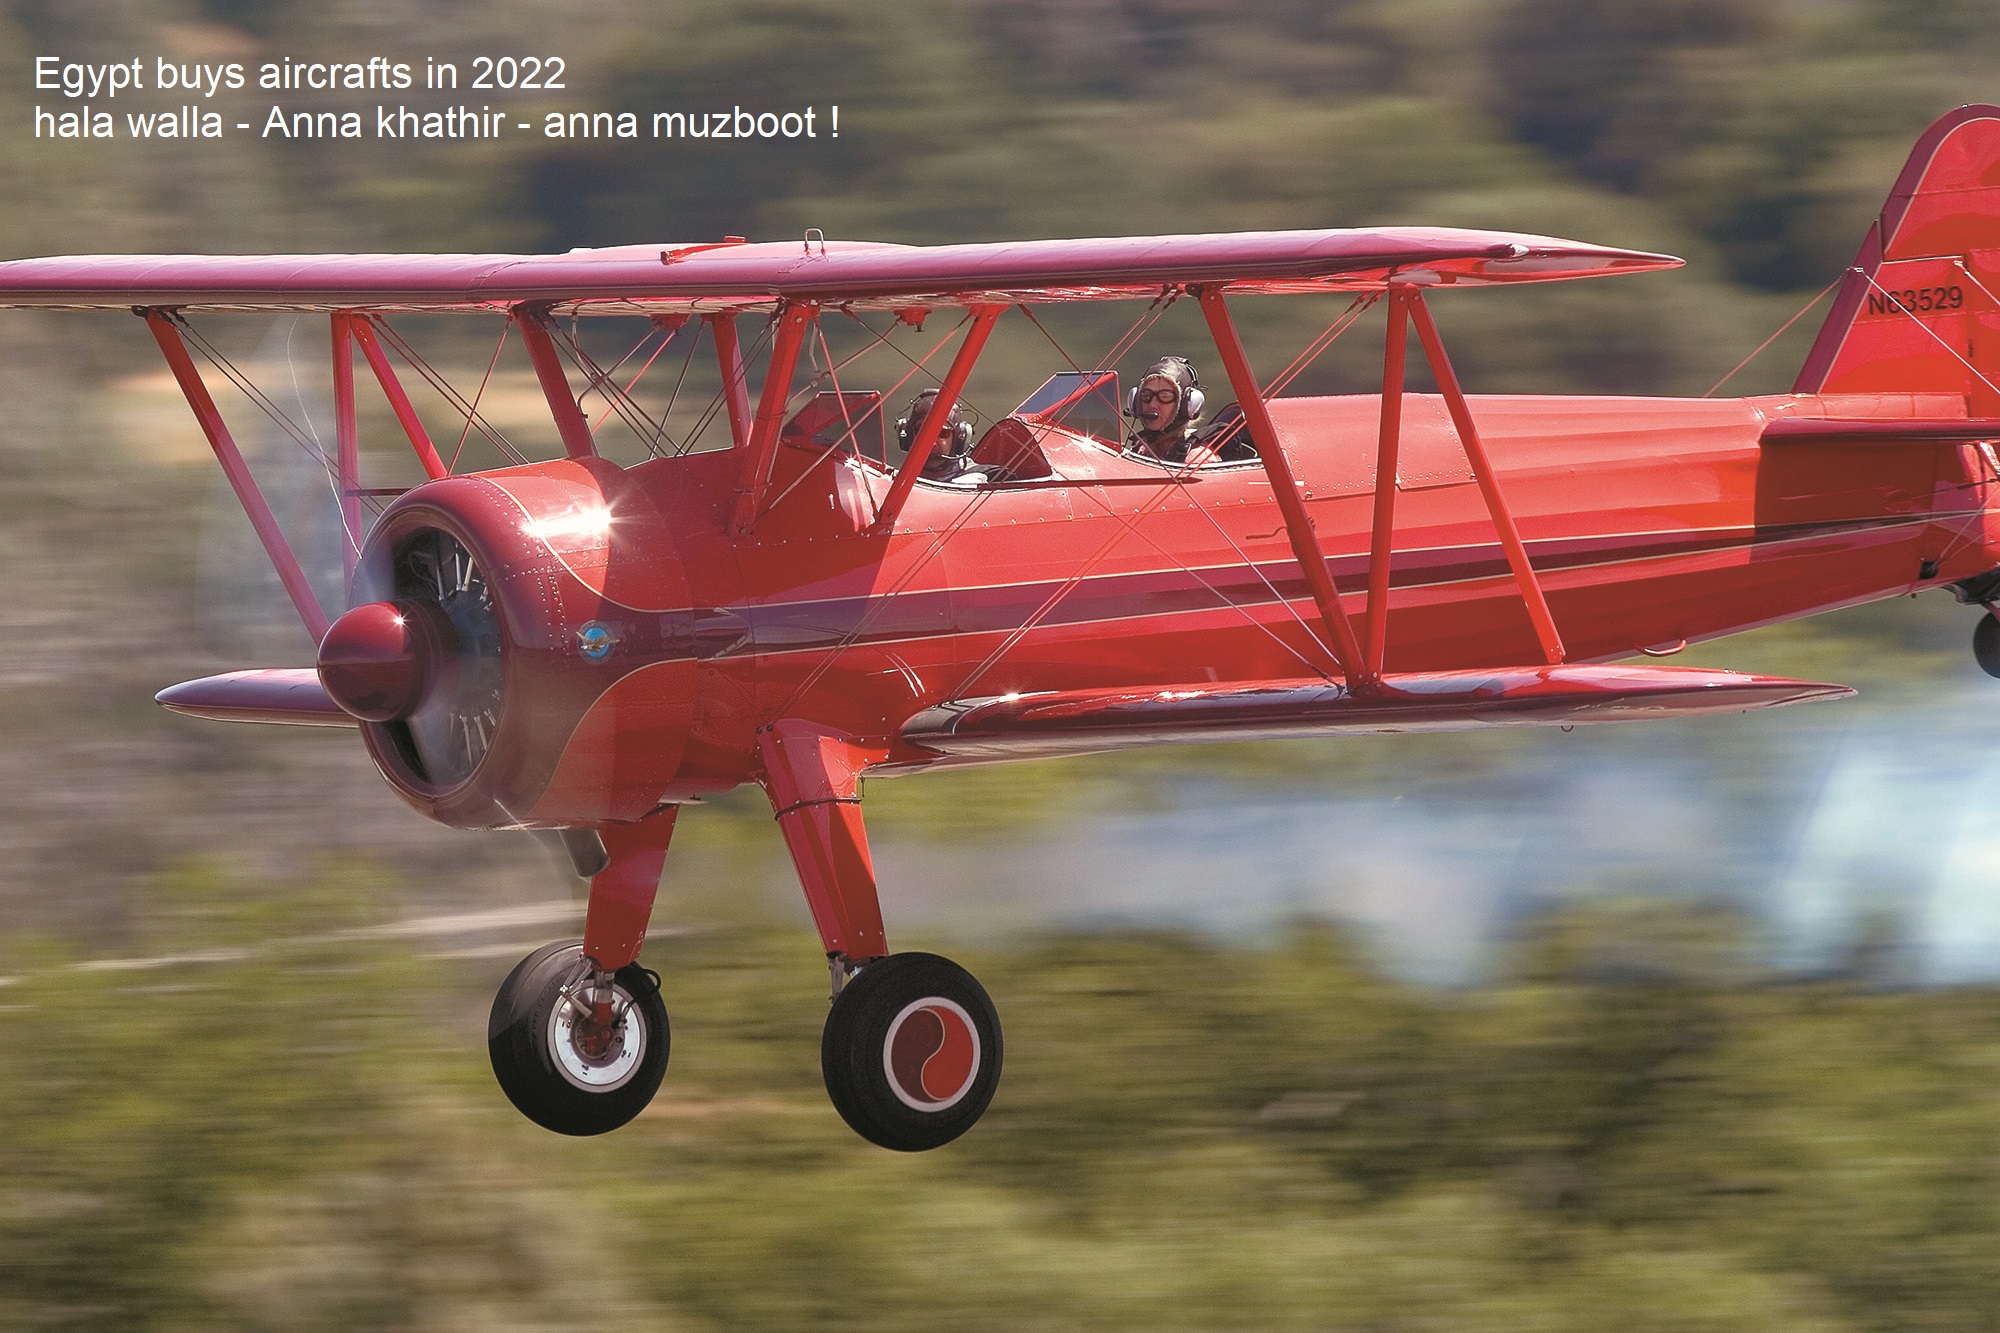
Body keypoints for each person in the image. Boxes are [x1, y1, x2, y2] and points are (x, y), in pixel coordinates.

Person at [898, 388, 989, 486]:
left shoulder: (985, 479)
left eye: (942, 433)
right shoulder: (894, 483)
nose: (931, 442)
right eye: (921, 431)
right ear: (907, 437)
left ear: (960, 439)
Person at [1125, 356, 1205, 464]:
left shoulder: (1197, 459)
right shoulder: (1140, 449)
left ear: (1185, 405)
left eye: (1165, 396)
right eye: (1146, 395)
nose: (1152, 404)